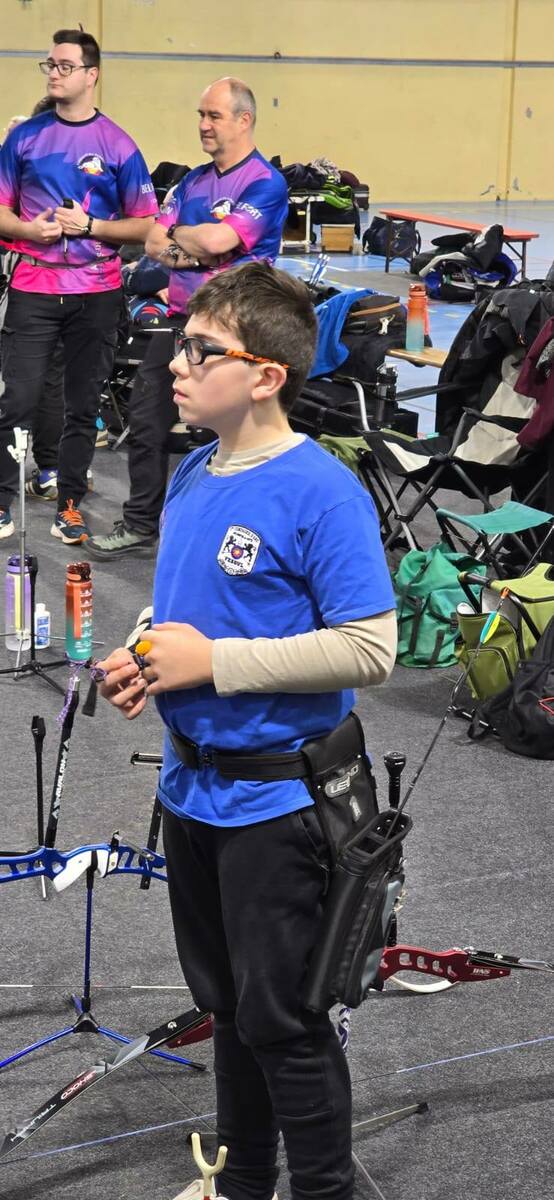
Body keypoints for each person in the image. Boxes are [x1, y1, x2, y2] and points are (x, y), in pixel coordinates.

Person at [96, 261, 397, 1200]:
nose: (174, 364)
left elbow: (369, 648)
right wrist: (145, 650)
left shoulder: (321, 491)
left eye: (200, 350)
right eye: (178, 345)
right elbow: (186, 610)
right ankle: (242, 1183)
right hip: (194, 791)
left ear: (266, 375)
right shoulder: (195, 469)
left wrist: (214, 663)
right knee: (227, 1006)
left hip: (280, 803)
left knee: (283, 1020)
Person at [87, 76, 288, 560]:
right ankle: (141, 523)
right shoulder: (193, 180)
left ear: (244, 120)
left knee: (231, 430)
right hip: (181, 321)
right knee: (146, 420)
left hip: (235, 327)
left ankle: (236, 528)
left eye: (214, 115)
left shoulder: (264, 182)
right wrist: (196, 247)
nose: (203, 124)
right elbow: (155, 243)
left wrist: (188, 239)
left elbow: (218, 241)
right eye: (201, 115)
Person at [0, 28, 158, 543]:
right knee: (18, 400)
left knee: (82, 406)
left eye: (64, 66)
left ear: (92, 75)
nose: (54, 73)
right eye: (49, 64)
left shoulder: (118, 144)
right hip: (33, 287)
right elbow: (1, 209)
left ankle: (68, 505)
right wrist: (28, 231)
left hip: (97, 292)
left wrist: (91, 227)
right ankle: (1, 502)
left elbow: (146, 225)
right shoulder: (24, 138)